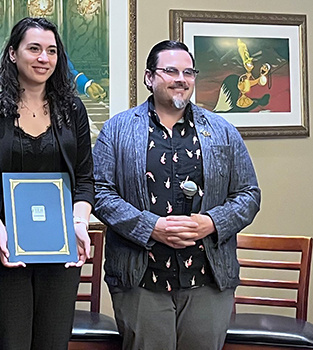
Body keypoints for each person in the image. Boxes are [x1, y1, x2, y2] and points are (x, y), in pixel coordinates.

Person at [92, 40, 261, 350]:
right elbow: (100, 193)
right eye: (170, 71)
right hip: (140, 280)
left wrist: (211, 222)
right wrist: (150, 227)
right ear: (149, 78)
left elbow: (249, 195)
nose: (181, 79)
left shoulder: (223, 130)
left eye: (188, 72)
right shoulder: (117, 130)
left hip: (208, 280)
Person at [0, 17, 94, 350]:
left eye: (51, 51)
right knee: (10, 342)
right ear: (12, 54)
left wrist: (79, 221)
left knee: (52, 343)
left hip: (60, 252)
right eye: (34, 49)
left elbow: (85, 178)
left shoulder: (73, 110)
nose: (43, 58)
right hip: (4, 251)